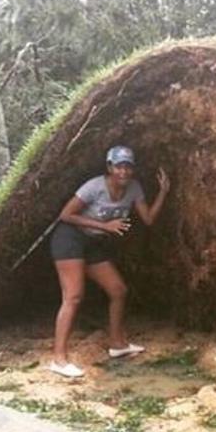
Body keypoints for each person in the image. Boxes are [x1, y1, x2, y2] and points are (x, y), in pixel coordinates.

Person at [48, 145, 170, 378]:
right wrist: (105, 226)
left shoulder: (134, 188)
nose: (123, 171)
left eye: (128, 166)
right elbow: (66, 215)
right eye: (119, 166)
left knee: (118, 290)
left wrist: (163, 192)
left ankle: (117, 344)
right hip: (69, 238)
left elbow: (149, 219)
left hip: (93, 243)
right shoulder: (95, 186)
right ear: (109, 167)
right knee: (73, 296)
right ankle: (59, 360)